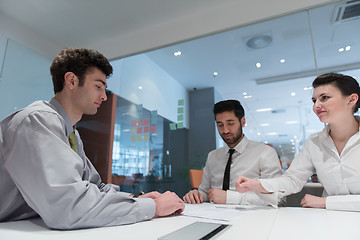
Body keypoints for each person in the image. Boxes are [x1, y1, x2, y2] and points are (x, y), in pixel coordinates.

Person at [0, 48, 184, 229]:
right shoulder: (38, 120)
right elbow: (68, 207)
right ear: (71, 81)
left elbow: (95, 187)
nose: (104, 96)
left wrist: (134, 199)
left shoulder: (71, 134)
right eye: (98, 87)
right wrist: (152, 207)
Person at [236, 73, 360, 212]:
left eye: (324, 98)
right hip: (330, 221)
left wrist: (326, 202)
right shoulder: (314, 143)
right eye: (314, 101)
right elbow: (293, 179)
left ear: (351, 100)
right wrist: (257, 184)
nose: (316, 106)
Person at [183, 100, 283, 206]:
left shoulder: (265, 153)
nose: (225, 130)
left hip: (251, 218)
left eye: (230, 123)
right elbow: (205, 192)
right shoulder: (212, 156)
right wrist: (197, 195)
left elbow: (278, 199)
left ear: (243, 122)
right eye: (220, 125)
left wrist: (230, 198)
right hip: (213, 216)